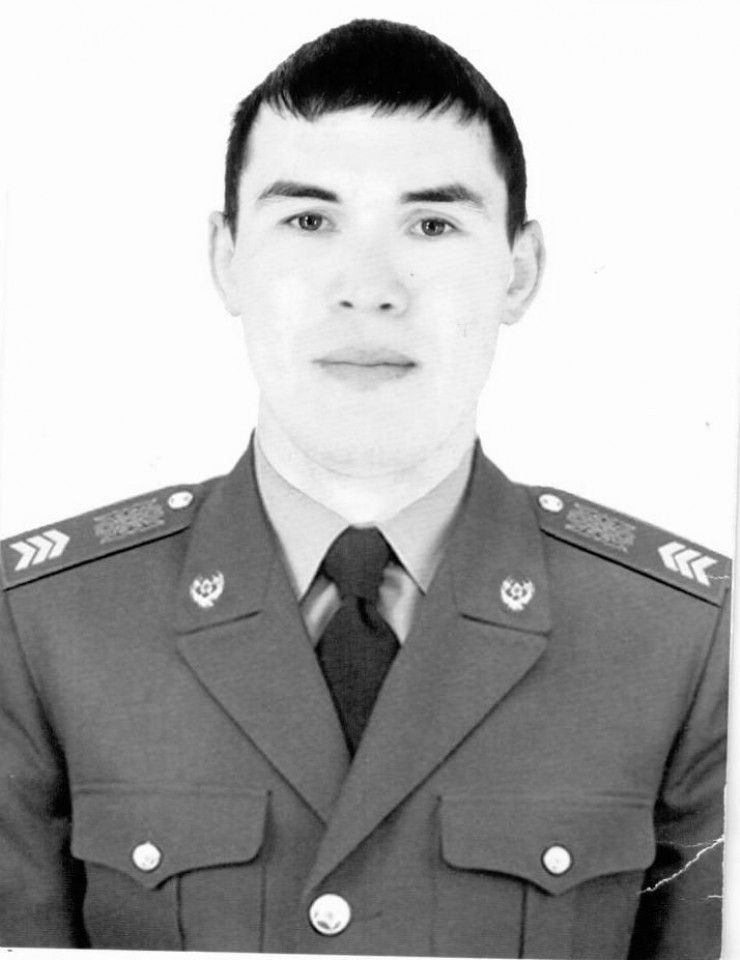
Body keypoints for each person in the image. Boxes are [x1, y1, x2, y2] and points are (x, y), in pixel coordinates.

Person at [0, 18, 730, 959]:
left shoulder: (689, 643)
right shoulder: (39, 627)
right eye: (309, 221)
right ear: (227, 260)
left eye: (432, 224)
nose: (369, 288)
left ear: (519, 271)